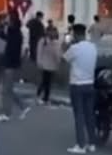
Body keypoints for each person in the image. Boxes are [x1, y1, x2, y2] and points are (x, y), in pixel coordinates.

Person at [63, 23, 97, 153]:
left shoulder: (74, 48)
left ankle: (81, 145)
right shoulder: (92, 47)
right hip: (90, 83)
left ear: (76, 34)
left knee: (79, 115)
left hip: (77, 84)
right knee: (90, 114)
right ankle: (92, 143)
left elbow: (64, 59)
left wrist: (67, 44)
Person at [0, 11, 30, 121]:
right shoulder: (13, 32)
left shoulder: (16, 34)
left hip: (10, 64)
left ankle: (7, 113)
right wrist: (2, 26)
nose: (7, 21)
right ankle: (22, 106)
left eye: (9, 20)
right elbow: (2, 35)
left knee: (7, 89)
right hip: (8, 63)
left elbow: (13, 50)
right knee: (8, 89)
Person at [36, 27, 61, 105]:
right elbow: (39, 52)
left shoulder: (56, 42)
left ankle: (44, 96)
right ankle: (42, 96)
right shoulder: (43, 41)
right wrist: (39, 62)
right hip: (45, 65)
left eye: (54, 32)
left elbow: (57, 54)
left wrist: (58, 62)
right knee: (45, 82)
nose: (53, 33)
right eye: (51, 32)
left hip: (52, 65)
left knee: (47, 82)